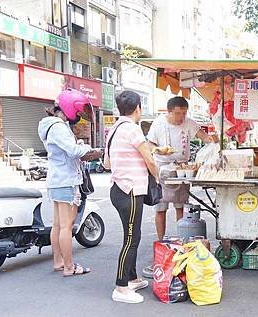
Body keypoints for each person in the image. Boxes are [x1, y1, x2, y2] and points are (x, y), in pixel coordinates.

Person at [142, 96, 217, 278]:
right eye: (178, 113)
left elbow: (203, 136)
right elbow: (150, 144)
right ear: (169, 112)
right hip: (161, 168)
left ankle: (180, 241)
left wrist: (212, 139)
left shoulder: (189, 123)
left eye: (184, 113)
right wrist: (158, 150)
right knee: (160, 208)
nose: (181, 117)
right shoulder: (159, 124)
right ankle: (161, 242)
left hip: (182, 168)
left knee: (180, 206)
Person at [38, 89, 100, 277]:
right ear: (69, 108)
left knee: (57, 225)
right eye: (78, 112)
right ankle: (69, 266)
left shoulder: (48, 125)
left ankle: (59, 262)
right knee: (66, 226)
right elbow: (73, 151)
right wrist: (90, 149)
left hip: (56, 180)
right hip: (66, 180)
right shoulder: (58, 126)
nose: (79, 117)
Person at [104, 91, 159, 304]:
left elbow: (107, 164)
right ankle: (120, 286)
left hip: (118, 189)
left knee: (132, 235)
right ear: (138, 109)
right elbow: (150, 160)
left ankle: (132, 278)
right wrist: (158, 177)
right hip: (131, 191)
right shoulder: (133, 129)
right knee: (131, 239)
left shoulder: (114, 129)